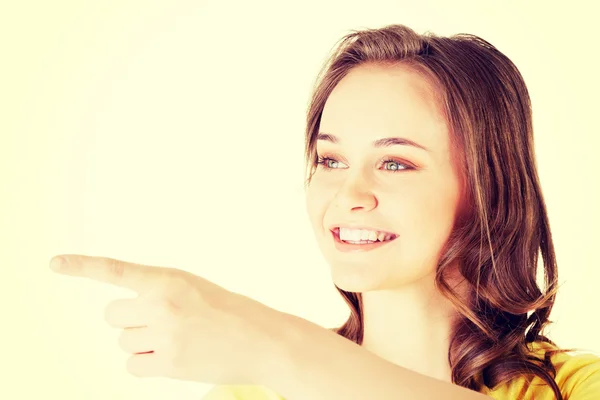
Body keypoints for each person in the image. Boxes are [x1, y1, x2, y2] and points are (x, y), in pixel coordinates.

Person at [199, 23, 600, 399]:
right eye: (331, 160)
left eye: (395, 163)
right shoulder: (259, 390)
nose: (348, 194)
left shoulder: (576, 387)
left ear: (487, 188)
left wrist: (293, 358)